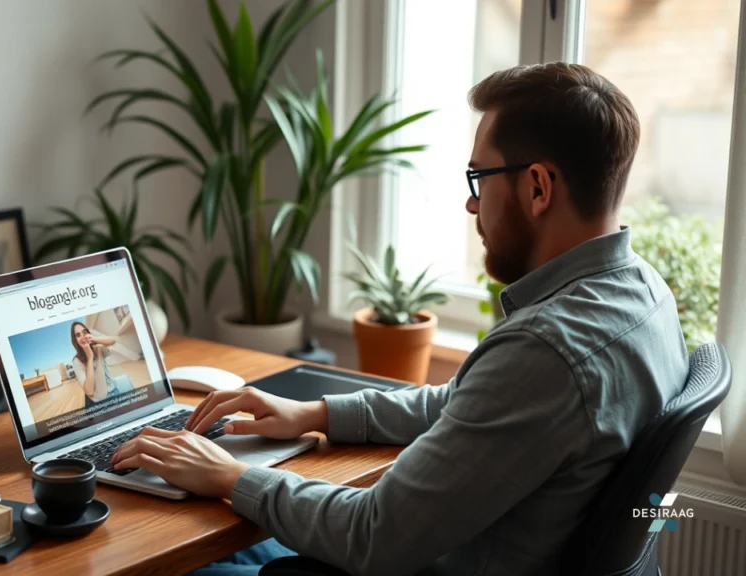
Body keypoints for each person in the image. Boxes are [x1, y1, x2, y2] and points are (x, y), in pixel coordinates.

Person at [109, 62, 691, 576]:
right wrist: (316, 413)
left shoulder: (548, 350)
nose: (471, 204)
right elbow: (465, 405)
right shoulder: (645, 295)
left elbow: (374, 537)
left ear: (538, 186)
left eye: (478, 179)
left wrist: (230, 476)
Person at [70, 321, 118, 406]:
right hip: (102, 401)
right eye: (78, 335)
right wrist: (90, 358)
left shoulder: (97, 348)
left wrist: (94, 339)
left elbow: (114, 341)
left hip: (115, 390)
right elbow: (89, 391)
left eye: (84, 332)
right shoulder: (76, 361)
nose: (83, 337)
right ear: (75, 341)